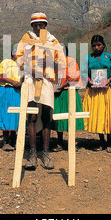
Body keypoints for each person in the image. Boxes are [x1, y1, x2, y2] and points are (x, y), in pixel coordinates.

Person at [14, 12, 66, 169]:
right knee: (31, 116)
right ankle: (32, 153)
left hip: (47, 81)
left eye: (41, 25)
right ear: (31, 26)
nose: (38, 27)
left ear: (45, 25)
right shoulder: (25, 39)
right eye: (35, 25)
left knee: (46, 116)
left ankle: (45, 152)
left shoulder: (52, 40)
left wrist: (49, 62)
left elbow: (60, 59)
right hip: (30, 80)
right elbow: (18, 57)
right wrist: (29, 65)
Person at [81, 35, 111, 153]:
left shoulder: (110, 57)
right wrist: (89, 80)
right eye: (93, 46)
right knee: (98, 115)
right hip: (95, 91)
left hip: (109, 89)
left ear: (104, 45)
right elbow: (83, 73)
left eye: (99, 45)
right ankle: (101, 142)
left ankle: (109, 142)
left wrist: (109, 80)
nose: (96, 48)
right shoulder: (88, 58)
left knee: (109, 114)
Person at [52, 45, 85, 152]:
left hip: (68, 91)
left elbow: (74, 76)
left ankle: (72, 142)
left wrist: (61, 86)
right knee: (59, 116)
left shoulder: (70, 61)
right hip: (57, 92)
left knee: (71, 116)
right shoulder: (54, 62)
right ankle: (60, 141)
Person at [0, 49, 22, 151]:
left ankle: (13, 140)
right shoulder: (6, 62)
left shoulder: (23, 65)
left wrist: (20, 82)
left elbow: (25, 75)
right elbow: (0, 75)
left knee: (15, 115)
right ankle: (5, 141)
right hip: (6, 90)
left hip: (17, 92)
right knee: (5, 114)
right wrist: (12, 81)